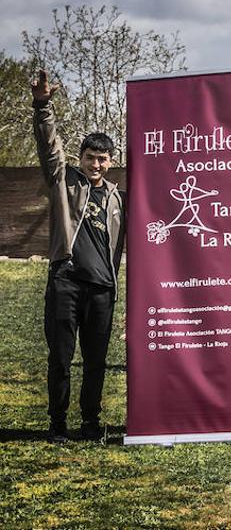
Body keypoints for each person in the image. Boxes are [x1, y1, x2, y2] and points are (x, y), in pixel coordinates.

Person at [31, 70, 125, 443]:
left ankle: (90, 422)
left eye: (102, 159)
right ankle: (58, 424)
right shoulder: (64, 180)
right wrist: (42, 106)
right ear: (81, 157)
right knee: (61, 358)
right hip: (67, 281)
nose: (96, 165)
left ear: (110, 160)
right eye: (90, 158)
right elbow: (49, 146)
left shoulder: (117, 197)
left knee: (97, 362)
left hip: (102, 288)